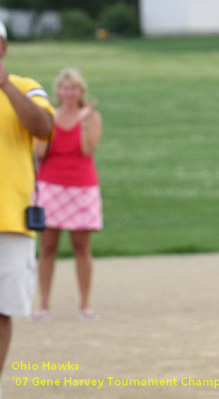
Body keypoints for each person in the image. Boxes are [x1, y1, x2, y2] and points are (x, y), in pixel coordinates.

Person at [0, 20, 54, 387]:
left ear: (3, 48)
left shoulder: (25, 87)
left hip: (11, 220)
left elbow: (43, 127)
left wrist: (4, 83)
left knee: (1, 311)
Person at [32, 68, 103, 322]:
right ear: (58, 92)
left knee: (81, 246)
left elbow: (87, 150)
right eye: (64, 88)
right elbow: (39, 153)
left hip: (82, 187)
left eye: (73, 88)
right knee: (48, 246)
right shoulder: (48, 117)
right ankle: (43, 305)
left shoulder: (93, 118)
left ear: (81, 91)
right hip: (51, 185)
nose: (69, 93)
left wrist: (83, 123)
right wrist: (44, 127)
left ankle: (85, 305)